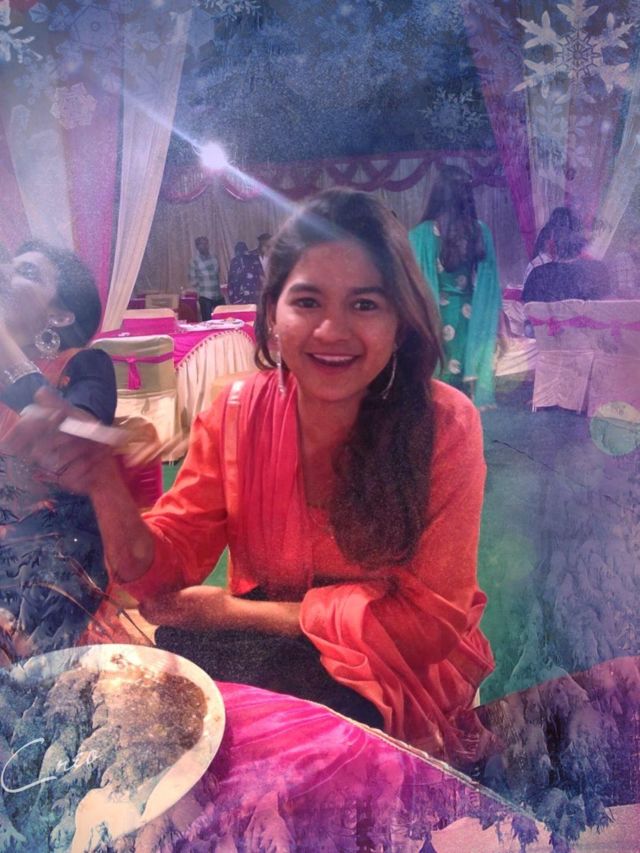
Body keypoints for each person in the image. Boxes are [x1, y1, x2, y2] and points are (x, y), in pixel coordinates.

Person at [5, 191, 494, 760]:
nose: (332, 330)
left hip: (393, 671)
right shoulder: (238, 413)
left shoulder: (444, 424)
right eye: (307, 301)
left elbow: (426, 628)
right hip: (269, 653)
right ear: (272, 315)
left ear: (400, 322)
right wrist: (103, 483)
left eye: (365, 304)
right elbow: (159, 576)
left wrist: (235, 612)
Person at [0, 240, 117, 659]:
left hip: (50, 552)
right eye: (10, 265)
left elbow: (74, 438)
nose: (6, 274)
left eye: (28, 272)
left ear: (61, 315)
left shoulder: (85, 365)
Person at [409, 165, 501, 409]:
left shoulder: (421, 234)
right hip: (471, 318)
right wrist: (493, 324)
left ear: (437, 194)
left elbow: (412, 283)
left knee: (438, 384)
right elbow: (490, 285)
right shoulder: (479, 231)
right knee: (462, 388)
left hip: (435, 316)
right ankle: (464, 427)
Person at [523, 208, 611, 302]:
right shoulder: (599, 271)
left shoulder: (538, 276)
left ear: (552, 241)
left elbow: (527, 307)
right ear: (583, 241)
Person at [188, 235, 222, 321]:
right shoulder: (194, 261)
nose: (204, 246)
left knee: (222, 320)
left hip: (218, 295)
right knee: (208, 322)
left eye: (206, 243)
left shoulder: (214, 258)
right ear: (197, 247)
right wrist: (201, 286)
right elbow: (193, 281)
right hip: (205, 296)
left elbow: (217, 273)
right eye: (201, 244)